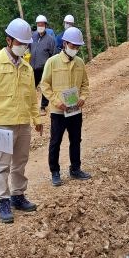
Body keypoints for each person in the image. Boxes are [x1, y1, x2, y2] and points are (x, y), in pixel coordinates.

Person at [0, 18, 43, 223]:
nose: (23, 47)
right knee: (2, 164)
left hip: (23, 123)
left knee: (20, 163)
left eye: (25, 44)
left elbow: (32, 97)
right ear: (8, 40)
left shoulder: (27, 68)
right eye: (20, 43)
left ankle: (18, 195)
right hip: (2, 123)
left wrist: (36, 118)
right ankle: (3, 200)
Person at [40, 26, 92, 187]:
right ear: (64, 44)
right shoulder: (52, 62)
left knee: (76, 139)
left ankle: (75, 168)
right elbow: (45, 85)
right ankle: (55, 172)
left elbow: (85, 84)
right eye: (72, 46)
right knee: (55, 141)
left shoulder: (80, 63)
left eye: (77, 47)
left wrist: (83, 98)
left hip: (75, 110)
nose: (75, 49)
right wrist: (56, 102)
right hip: (58, 111)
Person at [30, 14, 57, 116]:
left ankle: (43, 107)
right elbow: (27, 48)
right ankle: (30, 106)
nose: (40, 26)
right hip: (33, 67)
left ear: (45, 25)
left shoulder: (50, 39)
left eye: (42, 24)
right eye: (38, 24)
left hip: (45, 68)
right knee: (31, 87)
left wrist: (51, 66)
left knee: (45, 87)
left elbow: (54, 54)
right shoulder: (32, 37)